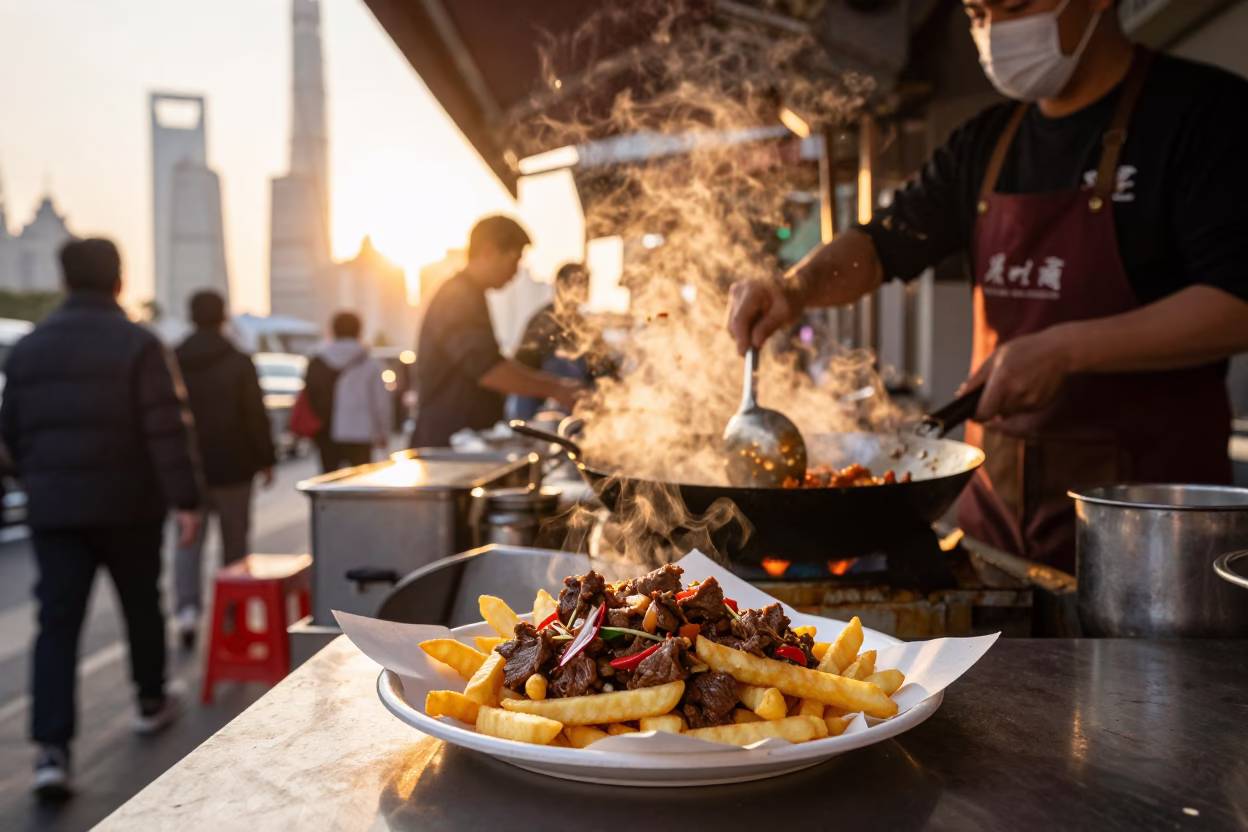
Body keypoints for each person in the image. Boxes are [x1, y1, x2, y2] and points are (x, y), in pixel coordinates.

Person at [727, 0, 1248, 574]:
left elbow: (1236, 303)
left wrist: (1065, 349)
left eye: (1015, 5)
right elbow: (882, 245)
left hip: (1149, 531)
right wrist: (795, 288)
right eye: (977, 11)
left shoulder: (1206, 115)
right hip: (996, 529)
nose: (994, 29)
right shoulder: (987, 142)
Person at [0, 239, 203, 800]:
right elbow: (168, 429)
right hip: (129, 504)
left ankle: (51, 751)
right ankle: (150, 700)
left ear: (64, 281)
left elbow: (10, 433)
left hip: (54, 508)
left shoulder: (30, 348)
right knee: (141, 601)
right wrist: (186, 502)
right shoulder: (139, 343)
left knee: (57, 621)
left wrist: (42, 474)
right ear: (119, 280)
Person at [411, 215, 582, 447]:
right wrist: (557, 389)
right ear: (488, 250)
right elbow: (488, 370)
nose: (516, 270)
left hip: (465, 442)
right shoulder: (458, 297)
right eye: (514, 258)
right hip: (449, 445)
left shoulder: (470, 294)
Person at [173, 290, 277, 647]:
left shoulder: (173, 359)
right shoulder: (238, 360)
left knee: (188, 543)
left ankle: (187, 612)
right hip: (234, 466)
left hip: (188, 469)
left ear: (190, 316)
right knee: (235, 545)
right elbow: (255, 415)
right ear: (223, 318)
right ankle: (232, 618)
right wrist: (266, 459)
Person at [305, 310, 390, 472]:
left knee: (329, 484)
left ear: (333, 330)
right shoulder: (368, 362)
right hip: (360, 432)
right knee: (361, 483)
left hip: (325, 431)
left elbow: (309, 395)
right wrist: (382, 432)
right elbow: (380, 402)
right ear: (359, 331)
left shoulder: (318, 360)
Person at [510, 262, 594, 421]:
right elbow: (521, 363)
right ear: (561, 286)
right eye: (580, 283)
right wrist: (555, 388)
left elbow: (598, 364)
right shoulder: (546, 319)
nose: (587, 290)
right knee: (562, 361)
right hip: (534, 406)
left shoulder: (582, 324)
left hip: (566, 408)